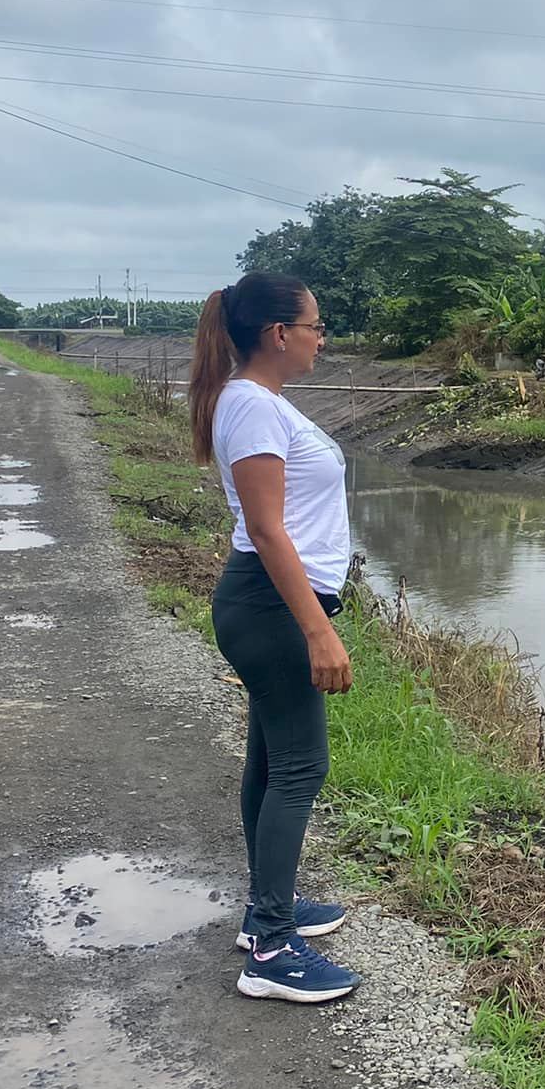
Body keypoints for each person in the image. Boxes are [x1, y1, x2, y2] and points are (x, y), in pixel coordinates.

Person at [189, 272, 360, 1004]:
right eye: (316, 326)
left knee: (269, 759)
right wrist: (318, 631)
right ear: (278, 333)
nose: (323, 338)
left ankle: (271, 904)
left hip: (268, 603)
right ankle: (270, 948)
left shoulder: (259, 400)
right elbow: (265, 529)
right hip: (272, 607)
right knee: (300, 767)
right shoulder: (254, 407)